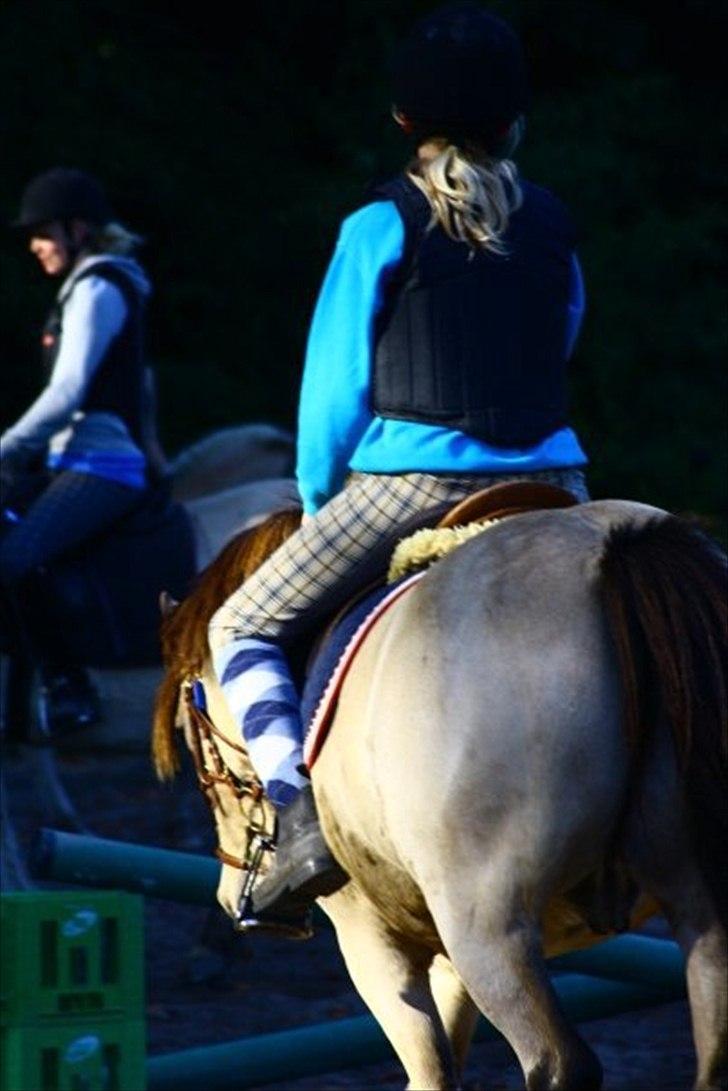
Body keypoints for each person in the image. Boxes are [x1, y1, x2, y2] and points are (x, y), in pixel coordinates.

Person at [208, 0, 591, 925]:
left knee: (240, 625)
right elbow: (567, 333)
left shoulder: (376, 225)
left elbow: (332, 389)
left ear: (403, 121)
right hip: (559, 485)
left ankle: (298, 819)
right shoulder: (555, 222)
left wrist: (316, 498)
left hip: (413, 485)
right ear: (514, 122)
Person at [0, 166, 167, 733]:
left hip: (103, 466)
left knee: (15, 557)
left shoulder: (96, 288)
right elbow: (141, 385)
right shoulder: (92, 287)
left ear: (78, 230)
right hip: (70, 460)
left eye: (44, 232)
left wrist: (6, 447)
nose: (35, 246)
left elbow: (67, 392)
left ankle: (69, 685)